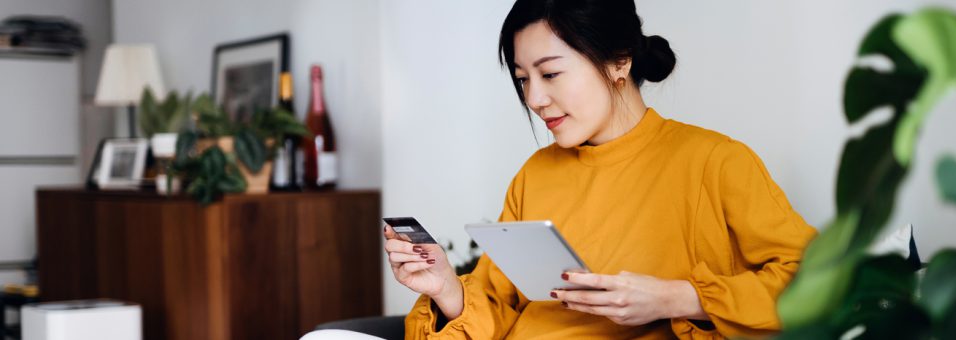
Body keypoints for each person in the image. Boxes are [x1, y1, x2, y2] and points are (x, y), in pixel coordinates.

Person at [308, 0, 817, 339]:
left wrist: (675, 297)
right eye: (522, 78)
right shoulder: (536, 173)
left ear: (618, 62)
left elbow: (814, 283)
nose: (534, 98)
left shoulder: (716, 161)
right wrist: (444, 286)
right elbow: (498, 303)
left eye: (550, 73)